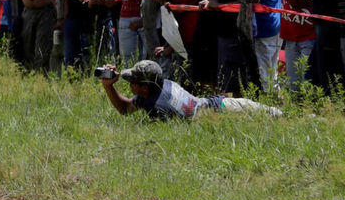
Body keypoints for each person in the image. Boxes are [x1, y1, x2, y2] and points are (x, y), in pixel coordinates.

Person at [99, 60, 280, 119]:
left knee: (275, 117)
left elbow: (127, 109)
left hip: (226, 110)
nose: (130, 85)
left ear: (144, 88)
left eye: (133, 81)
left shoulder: (157, 107)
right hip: (221, 106)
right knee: (271, 114)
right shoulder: (161, 85)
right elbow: (125, 108)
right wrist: (109, 86)